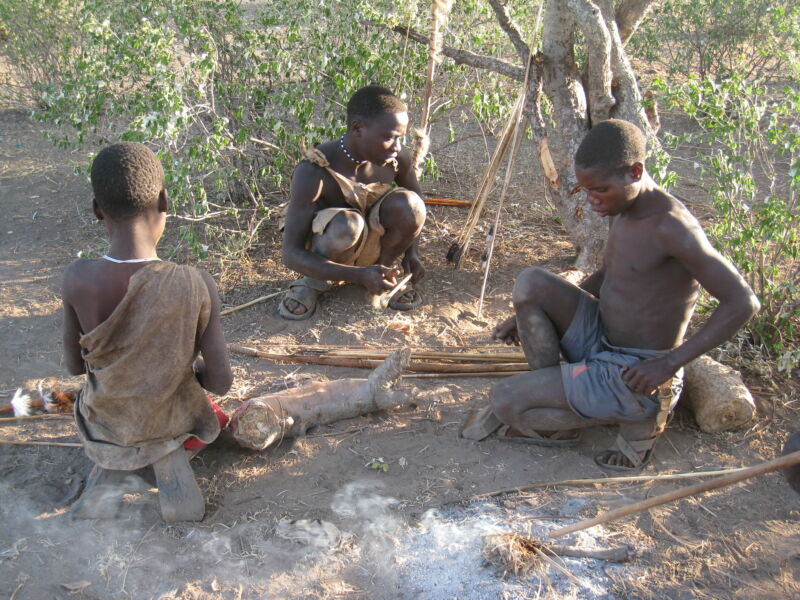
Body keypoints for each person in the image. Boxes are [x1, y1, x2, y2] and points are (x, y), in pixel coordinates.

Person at [462, 119, 760, 470]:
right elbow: (611, 274)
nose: (592, 201)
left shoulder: (672, 227)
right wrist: (530, 316)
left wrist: (667, 363)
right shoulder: (621, 206)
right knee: (531, 284)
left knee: (505, 402)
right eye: (586, 191)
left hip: (638, 371)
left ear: (635, 172)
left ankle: (637, 417)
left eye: (599, 190)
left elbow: (743, 302)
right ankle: (560, 396)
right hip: (602, 338)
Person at [62, 142, 233, 520]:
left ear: (96, 209)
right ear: (165, 201)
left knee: (110, 415)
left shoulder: (77, 279)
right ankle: (168, 461)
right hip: (169, 422)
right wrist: (180, 372)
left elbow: (75, 367)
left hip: (106, 421)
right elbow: (221, 382)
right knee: (196, 414)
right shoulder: (195, 283)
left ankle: (110, 469)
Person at [280, 85, 427, 320]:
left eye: (401, 138)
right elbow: (291, 253)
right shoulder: (314, 170)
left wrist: (412, 254)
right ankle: (314, 281)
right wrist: (359, 275)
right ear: (358, 127)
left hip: (373, 248)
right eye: (389, 137)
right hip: (330, 249)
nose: (398, 147)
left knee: (411, 205)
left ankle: (383, 274)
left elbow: (417, 211)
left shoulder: (396, 160)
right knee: (347, 225)